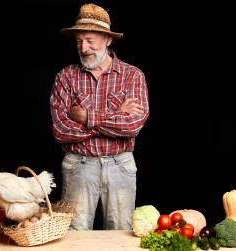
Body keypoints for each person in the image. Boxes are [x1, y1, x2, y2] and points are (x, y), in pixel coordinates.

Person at [49, 3, 150, 230]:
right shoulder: (65, 77)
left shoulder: (132, 75)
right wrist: (115, 116)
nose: (83, 48)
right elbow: (61, 131)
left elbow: (132, 125)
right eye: (78, 41)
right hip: (78, 165)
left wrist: (85, 117)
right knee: (74, 235)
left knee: (121, 233)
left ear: (108, 40)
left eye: (90, 40)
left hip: (120, 164)